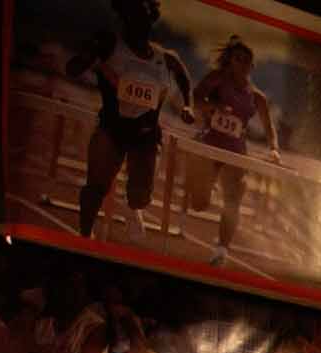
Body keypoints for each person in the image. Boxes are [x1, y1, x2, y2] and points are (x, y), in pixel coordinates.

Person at [68, 0, 195, 246]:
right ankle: (84, 237)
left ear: (152, 19)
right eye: (133, 15)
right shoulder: (110, 44)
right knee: (96, 187)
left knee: (140, 197)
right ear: (124, 19)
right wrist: (86, 59)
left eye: (144, 17)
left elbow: (183, 77)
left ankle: (133, 208)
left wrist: (187, 104)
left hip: (145, 135)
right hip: (112, 129)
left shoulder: (165, 58)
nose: (140, 22)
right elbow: (73, 68)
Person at [185, 36, 282, 267]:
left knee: (233, 200)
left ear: (252, 66)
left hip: (235, 151)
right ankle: (196, 182)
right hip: (209, 144)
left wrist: (274, 150)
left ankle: (221, 250)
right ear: (229, 61)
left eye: (247, 61)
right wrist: (212, 107)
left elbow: (269, 128)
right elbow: (197, 98)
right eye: (238, 59)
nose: (242, 65)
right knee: (199, 203)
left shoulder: (257, 97)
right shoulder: (217, 79)